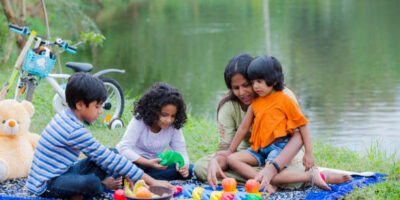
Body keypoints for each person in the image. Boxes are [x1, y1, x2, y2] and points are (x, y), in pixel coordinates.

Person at [193, 53, 351, 191]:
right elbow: (228, 150)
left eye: (248, 85)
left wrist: (274, 167)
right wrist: (216, 161)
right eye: (236, 88)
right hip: (250, 155)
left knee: (285, 169)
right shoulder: (229, 107)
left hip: (284, 153)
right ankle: (272, 180)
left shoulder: (284, 96)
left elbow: (298, 136)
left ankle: (301, 177)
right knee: (201, 168)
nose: (243, 92)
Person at [25, 73, 171, 200]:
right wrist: (152, 182)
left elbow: (107, 156)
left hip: (63, 171)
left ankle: (77, 193)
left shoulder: (68, 116)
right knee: (92, 183)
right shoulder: (72, 129)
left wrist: (129, 174)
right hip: (46, 184)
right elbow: (106, 158)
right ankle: (100, 186)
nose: (101, 111)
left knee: (113, 153)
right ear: (80, 105)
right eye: (97, 106)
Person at [117, 83, 193, 181]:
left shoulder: (173, 125)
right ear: (153, 110)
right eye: (164, 115)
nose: (169, 120)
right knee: (122, 165)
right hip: (135, 162)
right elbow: (123, 148)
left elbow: (180, 150)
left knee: (189, 172)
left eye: (173, 116)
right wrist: (147, 162)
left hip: (155, 166)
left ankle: (139, 178)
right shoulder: (140, 120)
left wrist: (183, 166)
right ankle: (140, 177)